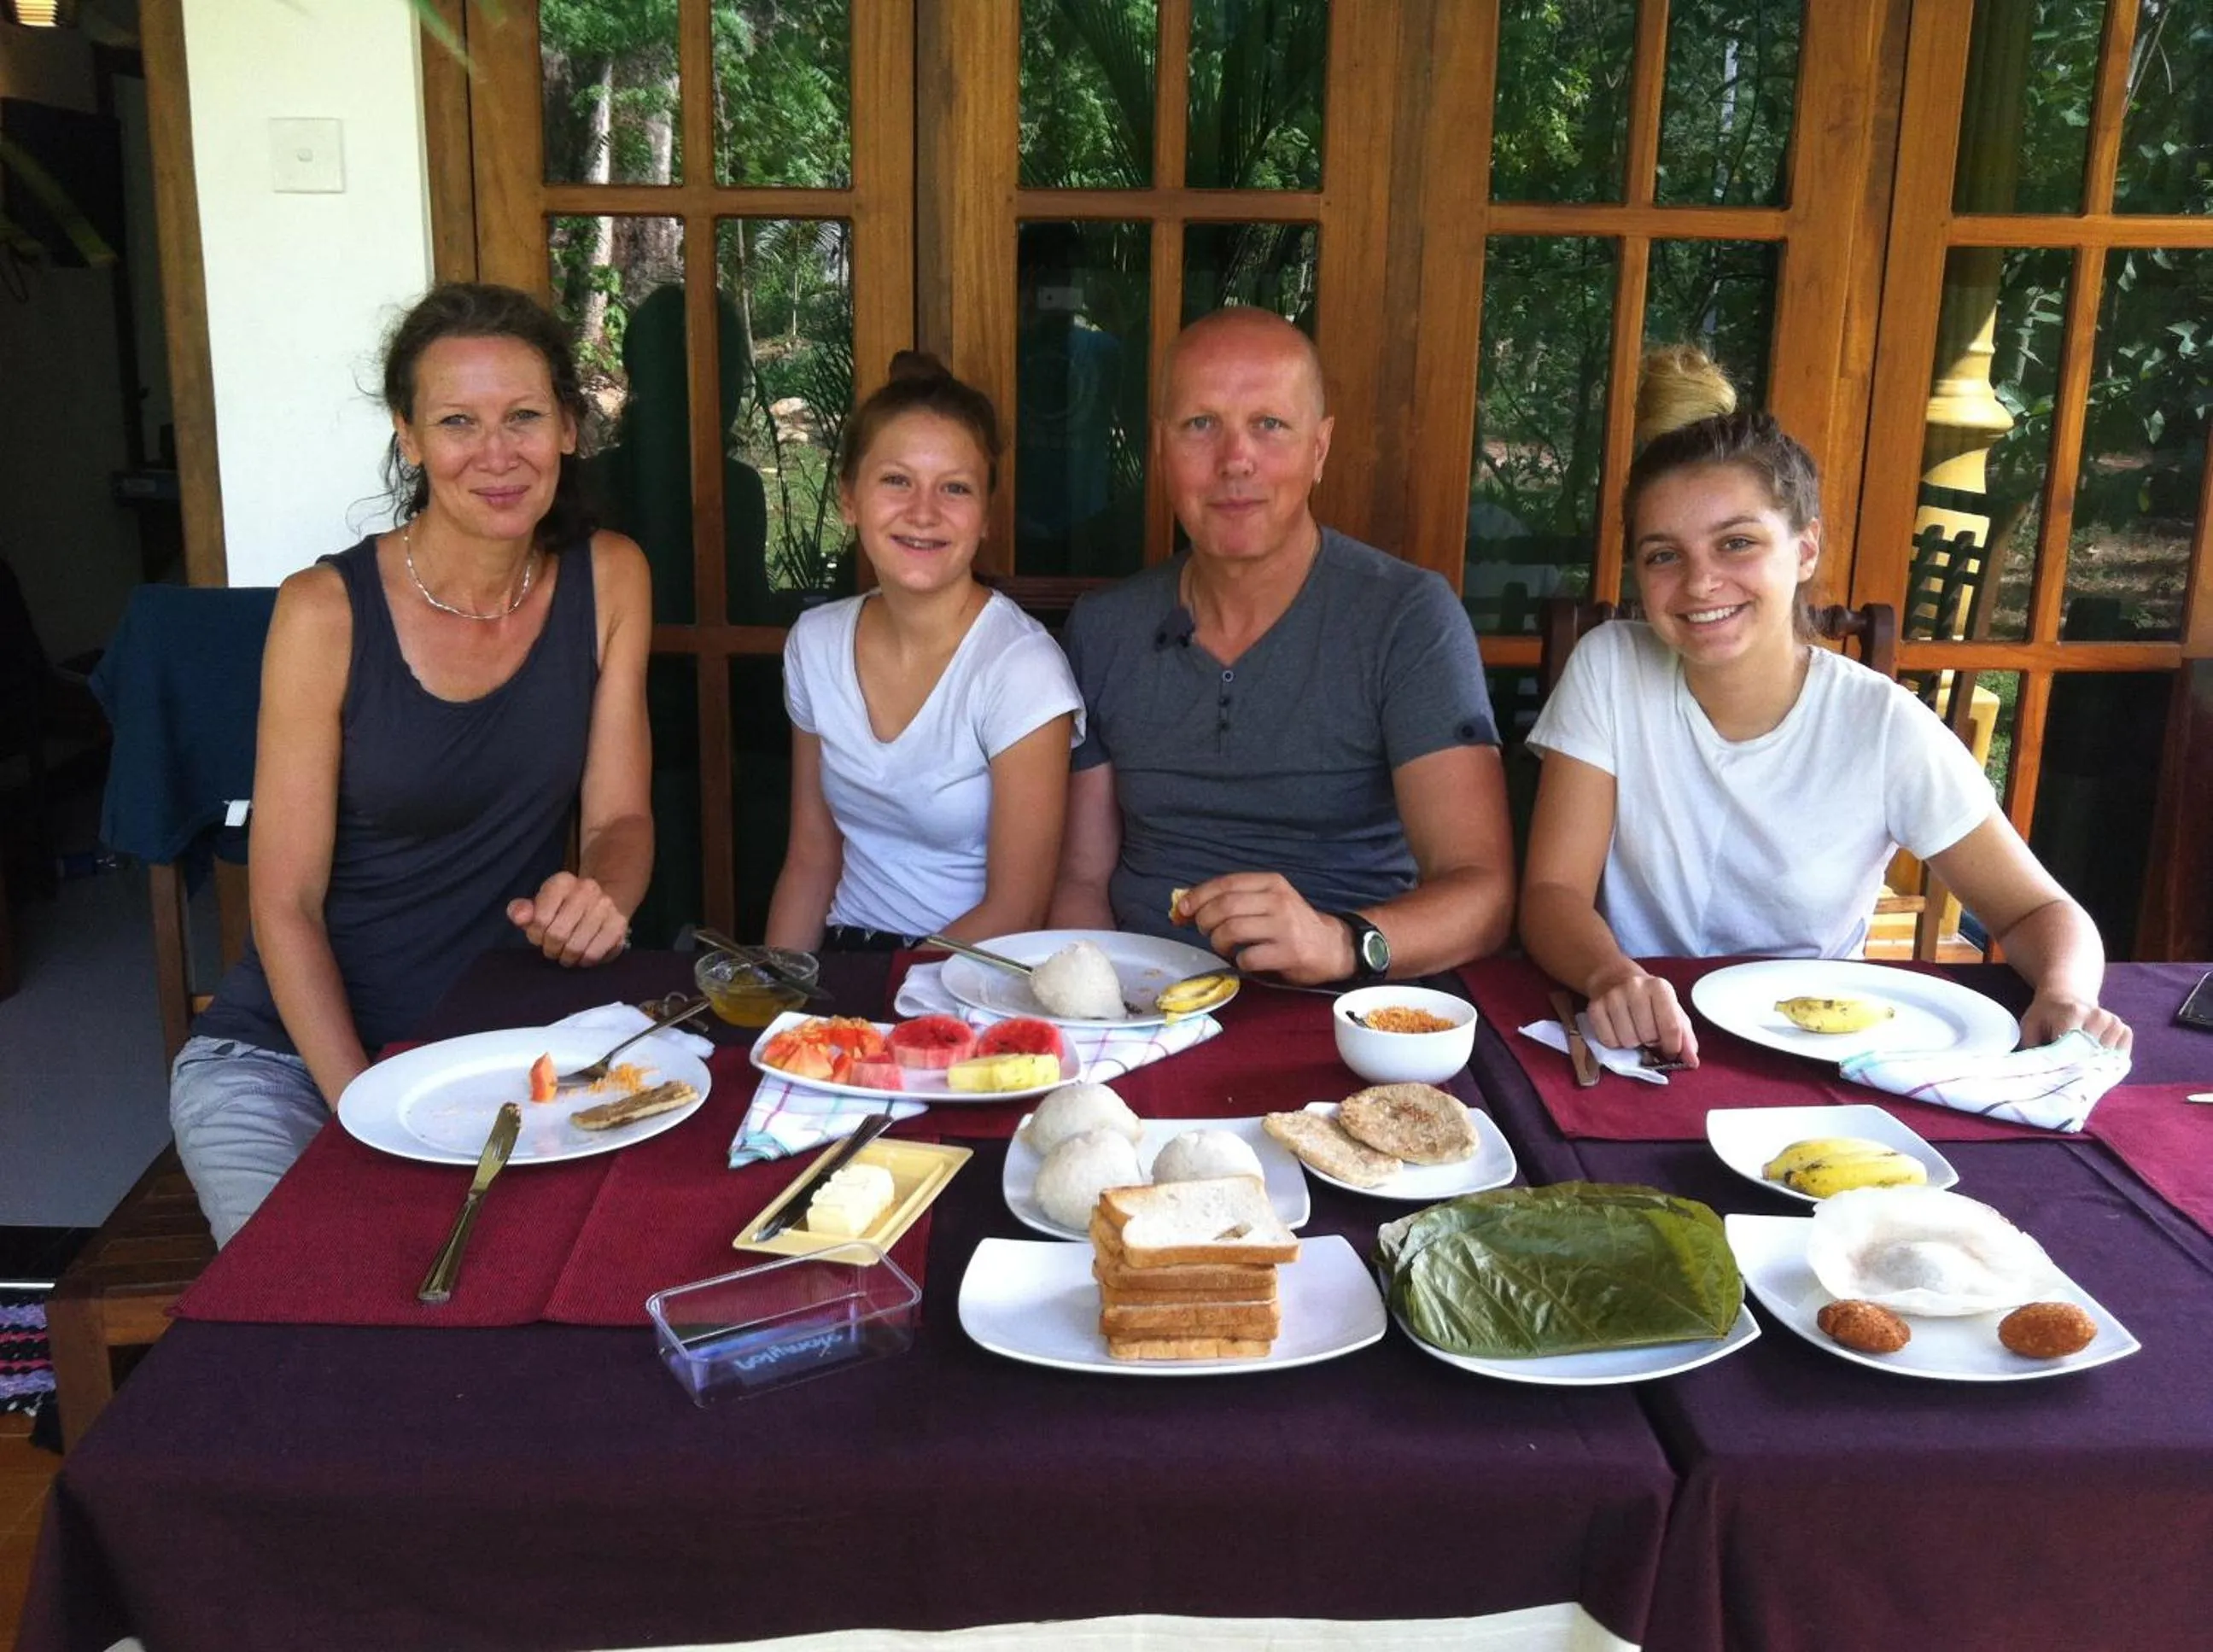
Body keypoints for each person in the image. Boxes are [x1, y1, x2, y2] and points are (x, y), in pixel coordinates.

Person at [171, 282, 655, 1245]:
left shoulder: (610, 576)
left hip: (498, 1054)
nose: (497, 453)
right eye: (457, 422)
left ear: (568, 426)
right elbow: (284, 904)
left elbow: (620, 823)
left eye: (523, 417)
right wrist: (368, 1114)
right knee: (324, 1310)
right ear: (409, 437)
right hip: (289, 1062)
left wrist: (602, 893)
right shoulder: (324, 611)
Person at [1520, 346, 2129, 1064]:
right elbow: (1554, 890)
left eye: (1737, 543)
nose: (1699, 583)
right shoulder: (1611, 668)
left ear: (1805, 549)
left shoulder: (1882, 726)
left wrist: (2064, 991)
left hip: (1813, 1054)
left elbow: (2039, 911)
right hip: (1641, 1037)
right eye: (1663, 555)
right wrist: (1611, 974)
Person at [1049, 306, 1515, 984]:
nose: (1236, 460)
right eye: (1200, 425)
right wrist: (1092, 1021)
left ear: (1319, 448)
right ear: (1161, 449)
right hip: (1143, 996)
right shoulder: (1104, 627)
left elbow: (1483, 892)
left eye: (1269, 424)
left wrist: (1341, 944)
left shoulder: (1406, 616)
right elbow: (1082, 879)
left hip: (1347, 1007)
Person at [764, 352, 1083, 950]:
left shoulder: (1020, 669)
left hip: (967, 972)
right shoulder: (815, 642)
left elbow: (1018, 908)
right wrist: (777, 1001)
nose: (923, 512)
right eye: (896, 480)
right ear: (849, 498)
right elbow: (810, 861)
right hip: (845, 959)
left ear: (986, 516)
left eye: (955, 488)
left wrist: (884, 1007)